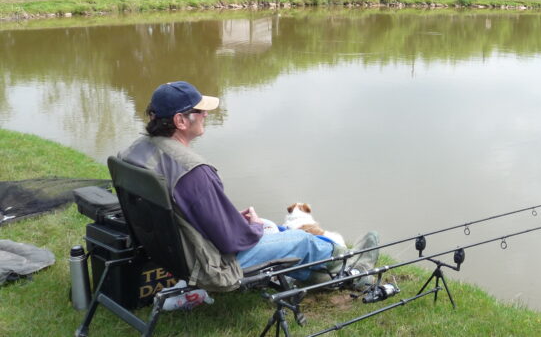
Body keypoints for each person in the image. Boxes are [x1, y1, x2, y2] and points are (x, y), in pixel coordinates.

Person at [118, 81, 377, 291]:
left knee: (270, 230)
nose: (206, 114)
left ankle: (322, 278)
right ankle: (353, 270)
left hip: (169, 252)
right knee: (303, 240)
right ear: (180, 121)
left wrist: (231, 220)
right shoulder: (193, 171)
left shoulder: (137, 150)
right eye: (200, 111)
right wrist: (252, 226)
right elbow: (233, 241)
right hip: (211, 264)